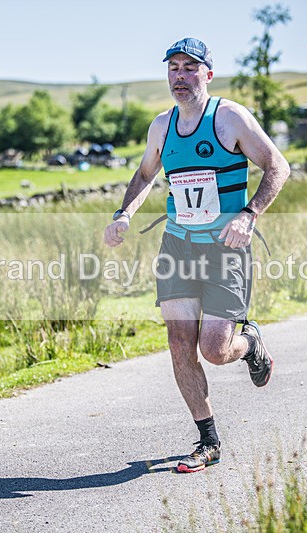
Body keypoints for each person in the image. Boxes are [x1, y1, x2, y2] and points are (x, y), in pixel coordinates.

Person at [103, 37, 290, 473]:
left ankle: (250, 343)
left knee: (215, 349)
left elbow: (277, 165)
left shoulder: (229, 117)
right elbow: (146, 172)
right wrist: (124, 213)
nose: (180, 76)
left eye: (190, 68)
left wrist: (249, 214)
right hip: (178, 245)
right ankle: (208, 440)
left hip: (226, 247)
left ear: (208, 73)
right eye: (173, 68)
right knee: (179, 343)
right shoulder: (161, 126)